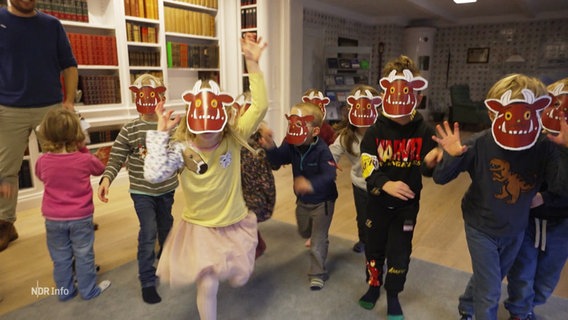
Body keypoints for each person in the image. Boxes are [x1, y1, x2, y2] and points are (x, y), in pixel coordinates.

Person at [143, 33, 267, 320]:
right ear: (191, 120)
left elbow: (259, 107)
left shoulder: (233, 139)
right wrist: (159, 136)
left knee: (239, 276)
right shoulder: (182, 148)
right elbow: (153, 174)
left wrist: (252, 64)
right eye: (201, 127)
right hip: (200, 227)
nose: (207, 133)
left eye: (213, 125)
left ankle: (235, 268)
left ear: (223, 118)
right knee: (208, 283)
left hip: (233, 220)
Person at [431, 74, 567, 320]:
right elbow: (440, 178)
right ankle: (476, 310)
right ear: (494, 114)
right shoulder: (481, 143)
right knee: (491, 289)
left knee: (489, 277)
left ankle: (466, 305)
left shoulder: (544, 146)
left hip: (515, 229)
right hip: (480, 227)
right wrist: (453, 154)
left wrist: (565, 150)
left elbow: (560, 187)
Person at [358, 55, 440, 320]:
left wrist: (431, 162)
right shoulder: (374, 132)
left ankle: (393, 294)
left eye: (409, 93)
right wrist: (386, 184)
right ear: (385, 93)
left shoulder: (424, 130)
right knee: (373, 249)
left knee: (400, 252)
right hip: (377, 203)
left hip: (406, 208)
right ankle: (373, 285)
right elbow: (368, 168)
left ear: (416, 96)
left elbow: (429, 171)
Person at [0, 0, 78, 251]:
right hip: (8, 109)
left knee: (64, 163)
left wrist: (67, 101)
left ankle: (73, 215)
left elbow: (69, 64)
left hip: (50, 108)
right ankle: (5, 224)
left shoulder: (52, 25)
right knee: (5, 169)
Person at [97, 74, 178, 304]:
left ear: (160, 96)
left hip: (166, 190)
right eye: (142, 95)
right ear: (136, 98)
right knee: (148, 231)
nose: (148, 100)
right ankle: (147, 279)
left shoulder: (170, 125)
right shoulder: (130, 129)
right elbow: (116, 157)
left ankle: (164, 261)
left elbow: (179, 153)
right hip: (142, 192)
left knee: (166, 228)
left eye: (153, 95)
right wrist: (106, 179)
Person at [503, 78, 568, 320]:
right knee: (522, 268)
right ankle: (519, 310)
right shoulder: (533, 140)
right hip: (528, 219)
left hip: (561, 222)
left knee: (549, 273)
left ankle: (532, 304)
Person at [261, 101, 338, 291]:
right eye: (291, 123)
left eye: (299, 124)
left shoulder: (322, 150)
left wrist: (310, 184)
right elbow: (278, 160)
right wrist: (270, 147)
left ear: (314, 132)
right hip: (302, 201)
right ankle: (312, 236)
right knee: (304, 231)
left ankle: (317, 273)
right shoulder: (291, 144)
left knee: (318, 239)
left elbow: (330, 175)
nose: (293, 128)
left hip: (323, 202)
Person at [35, 108, 111, 301]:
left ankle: (65, 291)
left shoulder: (42, 161)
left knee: (60, 257)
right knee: (84, 254)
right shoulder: (84, 159)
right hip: (80, 217)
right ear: (78, 134)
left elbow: (40, 176)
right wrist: (82, 148)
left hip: (52, 219)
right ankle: (88, 290)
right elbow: (100, 168)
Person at [329, 84, 382, 253]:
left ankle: (382, 242)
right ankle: (364, 240)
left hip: (384, 184)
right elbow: (331, 154)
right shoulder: (347, 136)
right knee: (363, 217)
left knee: (382, 217)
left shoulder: (384, 132)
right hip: (360, 184)